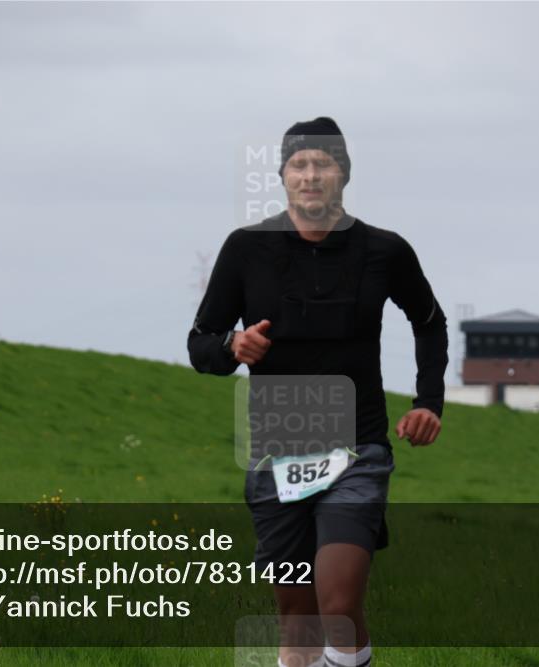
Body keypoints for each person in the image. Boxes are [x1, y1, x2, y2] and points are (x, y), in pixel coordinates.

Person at [188, 117, 448, 667]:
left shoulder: (384, 251)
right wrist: (232, 346)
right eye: (299, 165)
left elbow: (429, 321)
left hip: (357, 449)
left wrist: (428, 401)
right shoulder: (245, 250)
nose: (311, 175)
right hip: (276, 455)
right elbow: (200, 343)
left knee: (338, 601)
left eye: (323, 164)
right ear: (283, 176)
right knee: (298, 621)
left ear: (343, 175)